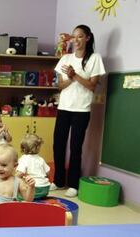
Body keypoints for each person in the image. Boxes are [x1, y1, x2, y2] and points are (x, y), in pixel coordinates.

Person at [51, 25, 106, 197]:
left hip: (81, 110)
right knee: (58, 144)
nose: (76, 40)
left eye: (80, 36)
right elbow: (60, 85)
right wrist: (70, 77)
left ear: (88, 38)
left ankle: (73, 183)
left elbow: (91, 86)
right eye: (74, 37)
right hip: (64, 108)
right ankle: (59, 181)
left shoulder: (95, 58)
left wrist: (75, 75)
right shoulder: (66, 58)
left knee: (76, 147)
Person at [0, 142, 35, 227]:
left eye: (4, 165)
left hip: (9, 220)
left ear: (15, 166)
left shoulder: (18, 181)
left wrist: (31, 187)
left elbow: (28, 200)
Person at [17, 134, 50, 199]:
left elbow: (20, 173)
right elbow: (48, 172)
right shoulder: (41, 159)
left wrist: (12, 178)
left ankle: (25, 198)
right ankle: (40, 197)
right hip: (45, 188)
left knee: (18, 183)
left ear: (23, 148)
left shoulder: (23, 159)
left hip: (34, 189)